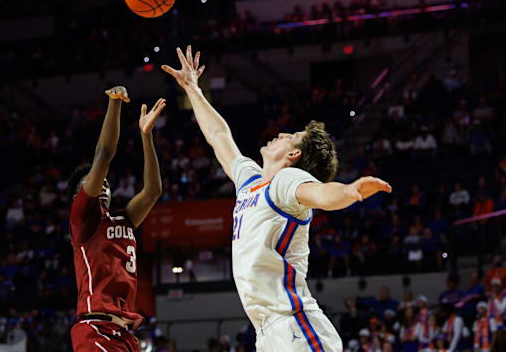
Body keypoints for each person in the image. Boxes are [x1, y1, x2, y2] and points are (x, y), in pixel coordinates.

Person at [162, 46, 391, 352]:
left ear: (294, 155)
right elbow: (219, 138)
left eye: (289, 137)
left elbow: (320, 193)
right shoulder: (251, 182)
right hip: (267, 331)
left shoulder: (286, 181)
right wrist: (193, 89)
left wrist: (349, 191)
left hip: (293, 323)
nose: (280, 134)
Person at [67, 87, 165, 352]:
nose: (104, 185)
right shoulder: (83, 219)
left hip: (124, 333)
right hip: (95, 328)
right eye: (97, 182)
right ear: (80, 194)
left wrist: (146, 136)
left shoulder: (124, 219)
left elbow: (153, 190)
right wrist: (115, 104)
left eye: (108, 183)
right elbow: (104, 155)